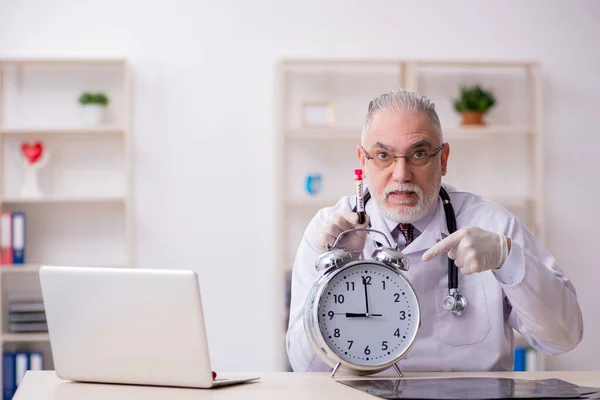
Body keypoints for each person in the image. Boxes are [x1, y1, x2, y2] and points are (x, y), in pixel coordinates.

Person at [285, 88, 583, 373]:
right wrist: (336, 275)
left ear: (442, 159)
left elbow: (563, 338)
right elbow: (306, 366)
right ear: (363, 161)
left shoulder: (492, 224)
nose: (401, 174)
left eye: (418, 154)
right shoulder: (329, 230)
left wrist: (511, 260)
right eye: (384, 156)